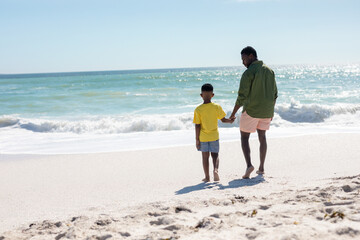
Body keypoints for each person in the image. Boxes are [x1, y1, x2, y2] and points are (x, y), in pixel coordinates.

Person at [230, 46, 278, 179]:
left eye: (244, 59)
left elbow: (242, 96)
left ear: (251, 56)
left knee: (244, 137)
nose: (243, 63)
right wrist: (271, 112)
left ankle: (249, 165)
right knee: (262, 137)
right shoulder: (270, 71)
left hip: (251, 110)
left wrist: (233, 114)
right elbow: (275, 94)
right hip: (266, 111)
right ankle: (261, 167)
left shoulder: (249, 72)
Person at [193, 83, 234, 182]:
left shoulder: (198, 109)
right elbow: (223, 120)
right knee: (215, 155)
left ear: (201, 95)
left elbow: (197, 125)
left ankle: (207, 177)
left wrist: (197, 140)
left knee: (205, 157)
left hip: (203, 137)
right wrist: (231, 120)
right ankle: (215, 170)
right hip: (214, 135)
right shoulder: (216, 107)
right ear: (212, 95)